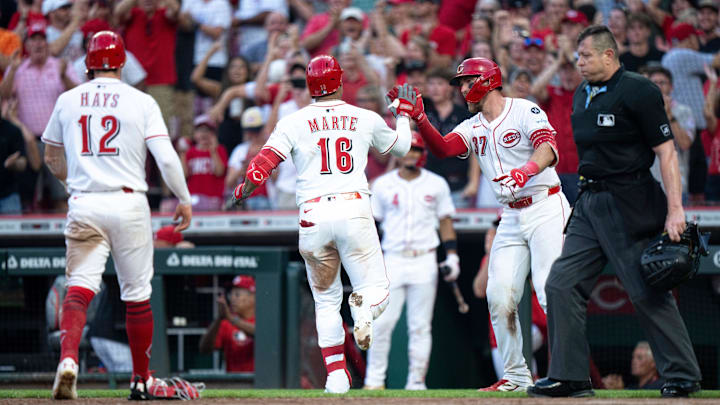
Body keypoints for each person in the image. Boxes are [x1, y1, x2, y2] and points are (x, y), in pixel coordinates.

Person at [527, 25, 702, 399]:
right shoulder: (581, 94)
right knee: (561, 282)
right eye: (577, 55)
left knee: (645, 290)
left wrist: (675, 210)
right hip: (589, 201)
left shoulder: (639, 90)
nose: (579, 61)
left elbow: (667, 152)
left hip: (629, 200)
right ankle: (569, 376)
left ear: (609, 54)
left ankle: (683, 374)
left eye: (585, 55)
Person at [387, 56, 570, 392]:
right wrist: (421, 119)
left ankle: (569, 373)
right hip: (511, 215)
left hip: (546, 204)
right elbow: (442, 149)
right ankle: (516, 376)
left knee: (550, 291)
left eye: (467, 81)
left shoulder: (524, 110)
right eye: (460, 83)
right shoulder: (473, 126)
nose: (462, 89)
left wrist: (525, 171)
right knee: (498, 295)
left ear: (486, 80)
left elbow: (548, 148)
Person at [230, 55, 412, 393]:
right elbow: (401, 147)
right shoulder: (363, 116)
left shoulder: (292, 121)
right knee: (378, 291)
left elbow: (261, 167)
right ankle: (365, 309)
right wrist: (402, 115)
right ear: (340, 82)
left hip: (312, 215)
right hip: (353, 209)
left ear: (311, 86)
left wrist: (243, 189)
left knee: (326, 300)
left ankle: (336, 377)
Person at [41, 31, 195, 400]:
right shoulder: (140, 100)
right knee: (137, 295)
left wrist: (71, 182)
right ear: (122, 62)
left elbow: (50, 157)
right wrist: (184, 198)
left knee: (79, 286)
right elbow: (167, 158)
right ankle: (141, 380)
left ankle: (67, 360)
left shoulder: (67, 99)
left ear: (88, 63)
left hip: (85, 202)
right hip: (129, 203)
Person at [364, 132, 459, 390]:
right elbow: (372, 226)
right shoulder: (382, 184)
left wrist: (452, 256)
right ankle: (374, 382)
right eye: (408, 150)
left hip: (424, 259)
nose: (412, 155)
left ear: (422, 154)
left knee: (419, 326)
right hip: (392, 259)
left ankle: (416, 382)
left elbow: (445, 221)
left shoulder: (436, 184)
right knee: (382, 323)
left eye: (416, 150)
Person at [199, 275, 256, 373]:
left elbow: (259, 333)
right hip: (234, 384)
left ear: (252, 297)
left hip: (261, 384)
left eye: (237, 294)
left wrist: (230, 318)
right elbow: (205, 349)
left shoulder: (262, 320)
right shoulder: (226, 323)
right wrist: (219, 319)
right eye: (231, 294)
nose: (232, 298)